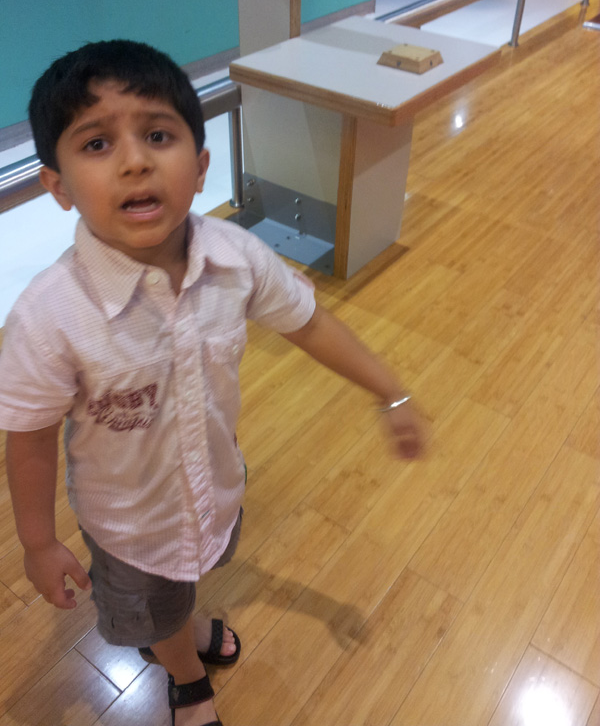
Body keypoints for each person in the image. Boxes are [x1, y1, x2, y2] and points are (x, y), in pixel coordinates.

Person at [0, 40, 424, 726]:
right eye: (98, 144)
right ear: (59, 187)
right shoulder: (50, 315)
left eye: (158, 135)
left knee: (187, 584)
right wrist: (38, 541)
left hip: (215, 485)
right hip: (129, 526)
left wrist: (391, 392)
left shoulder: (238, 257)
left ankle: (178, 630)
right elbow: (29, 437)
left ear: (200, 168)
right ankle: (187, 680)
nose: (135, 161)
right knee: (158, 604)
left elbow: (312, 324)